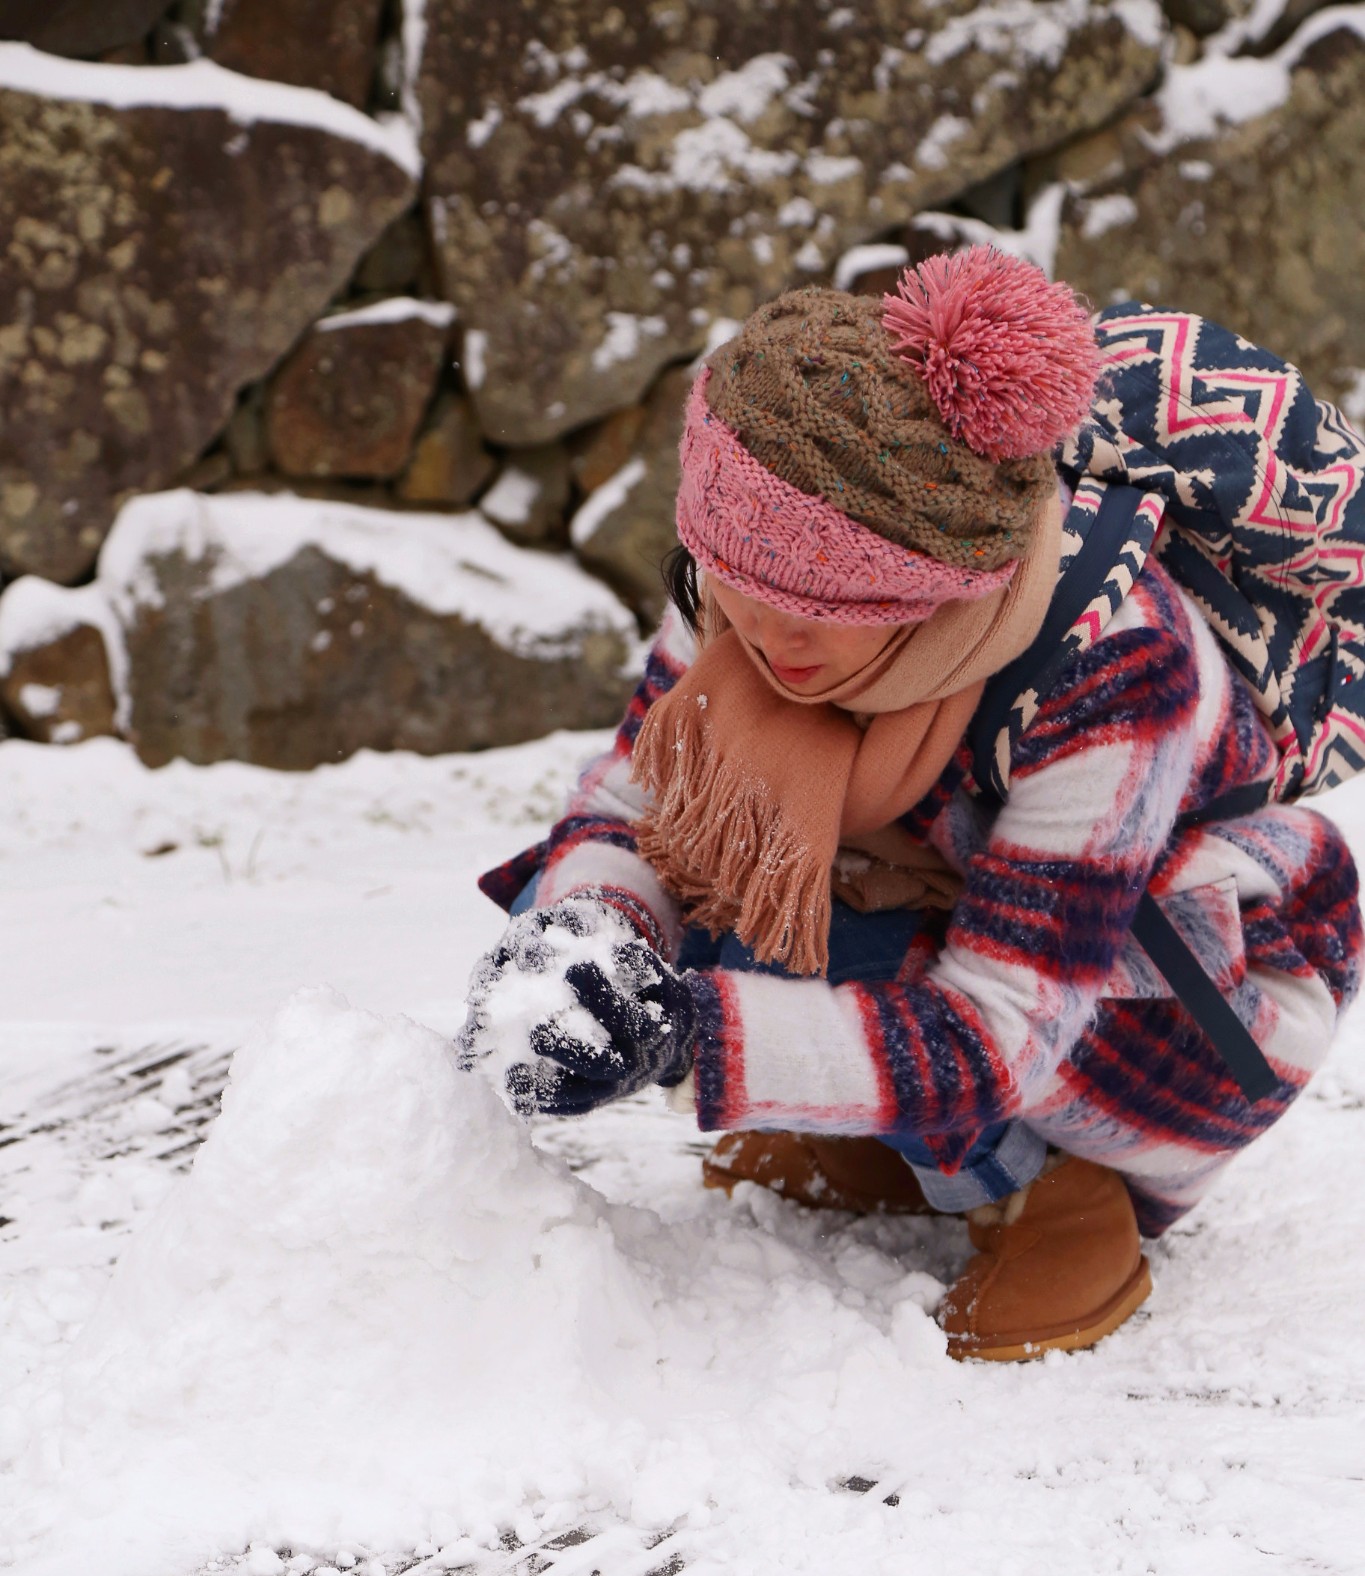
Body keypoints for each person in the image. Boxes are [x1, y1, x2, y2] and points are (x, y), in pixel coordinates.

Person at [460, 248, 1362, 1362]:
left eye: (831, 604)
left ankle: (1056, 1195)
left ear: (938, 580)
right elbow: (635, 804)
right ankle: (904, 1139)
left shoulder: (1116, 665)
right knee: (731, 844)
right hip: (954, 905)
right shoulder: (746, 578)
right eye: (739, 588)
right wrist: (591, 936)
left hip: (1177, 988)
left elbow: (1002, 1029)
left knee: (882, 947)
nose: (770, 637)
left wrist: (690, 1034)